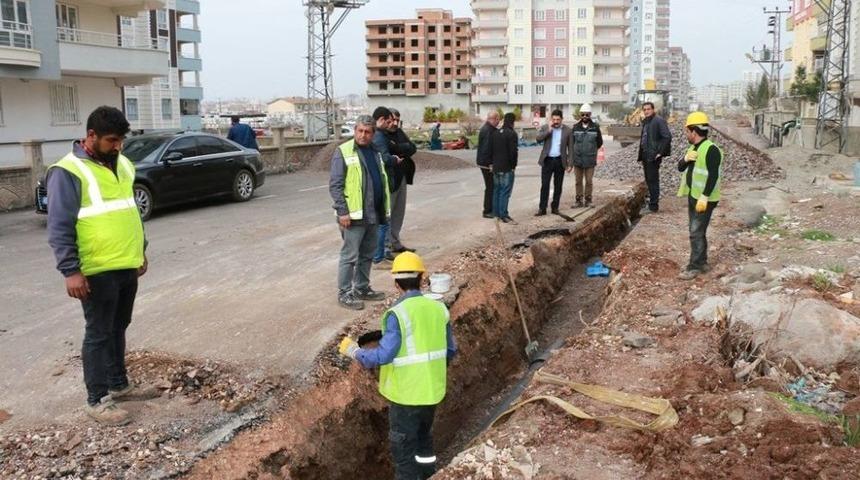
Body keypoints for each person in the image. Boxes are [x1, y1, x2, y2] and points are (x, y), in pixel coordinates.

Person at [46, 106, 159, 426]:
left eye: (121, 140)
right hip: (95, 268)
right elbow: (59, 225)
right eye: (112, 140)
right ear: (90, 136)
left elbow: (129, 210)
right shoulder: (67, 171)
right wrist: (71, 270)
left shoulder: (122, 163)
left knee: (119, 325)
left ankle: (119, 384)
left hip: (126, 262)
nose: (118, 146)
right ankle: (97, 399)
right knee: (98, 333)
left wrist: (141, 251)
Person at [338, 252, 456, 480]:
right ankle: (430, 475)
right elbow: (450, 350)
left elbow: (382, 356)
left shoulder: (398, 314)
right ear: (423, 278)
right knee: (424, 440)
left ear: (395, 283)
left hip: (406, 397)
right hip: (432, 392)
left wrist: (353, 350)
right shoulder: (439, 309)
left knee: (403, 451)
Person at [329, 115, 391, 310]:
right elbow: (335, 185)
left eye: (367, 132)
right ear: (355, 130)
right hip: (353, 216)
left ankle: (362, 288)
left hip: (372, 213)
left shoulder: (375, 152)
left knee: (367, 254)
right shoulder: (344, 151)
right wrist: (342, 211)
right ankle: (345, 293)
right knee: (350, 256)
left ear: (373, 134)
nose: (363, 135)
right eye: (360, 131)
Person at [677, 112, 723, 280]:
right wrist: (685, 159)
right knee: (697, 230)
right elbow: (680, 168)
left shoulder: (711, 150)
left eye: (687, 131)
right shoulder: (693, 149)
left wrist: (704, 196)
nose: (686, 134)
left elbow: (713, 176)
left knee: (695, 231)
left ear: (693, 131)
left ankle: (695, 266)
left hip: (705, 199)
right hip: (694, 195)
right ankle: (701, 262)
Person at [384, 108, 417, 254]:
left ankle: (395, 242)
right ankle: (385, 247)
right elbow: (387, 153)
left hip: (402, 177)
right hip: (389, 180)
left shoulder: (399, 133)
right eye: (392, 120)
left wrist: (398, 148)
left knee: (399, 212)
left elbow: (412, 147)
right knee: (388, 213)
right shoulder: (381, 135)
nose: (395, 123)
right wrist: (400, 149)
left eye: (397, 120)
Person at [371, 107, 402, 265]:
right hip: (380, 185)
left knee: (384, 221)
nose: (391, 124)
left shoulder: (381, 135)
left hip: (383, 182)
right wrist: (394, 159)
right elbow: (382, 159)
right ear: (381, 120)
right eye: (388, 121)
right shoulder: (378, 137)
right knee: (382, 222)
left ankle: (383, 252)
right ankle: (379, 256)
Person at [637, 102, 672, 212]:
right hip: (646, 155)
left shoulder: (658, 120)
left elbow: (667, 137)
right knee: (648, 180)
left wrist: (660, 152)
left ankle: (653, 207)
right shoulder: (647, 122)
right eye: (645, 109)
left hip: (653, 156)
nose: (646, 111)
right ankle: (651, 202)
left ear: (653, 110)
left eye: (648, 109)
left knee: (653, 181)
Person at [535, 109, 571, 216]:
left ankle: (555, 207)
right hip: (547, 160)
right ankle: (542, 208)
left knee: (558, 186)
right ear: (551, 119)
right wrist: (549, 130)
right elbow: (538, 139)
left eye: (558, 119)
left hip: (560, 161)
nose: (556, 121)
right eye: (554, 119)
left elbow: (571, 149)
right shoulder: (546, 128)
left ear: (562, 120)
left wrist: (570, 164)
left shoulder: (568, 131)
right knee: (545, 185)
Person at [569, 103, 603, 208]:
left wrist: (591, 150)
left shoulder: (595, 128)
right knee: (578, 181)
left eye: (587, 115)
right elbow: (571, 143)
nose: (585, 117)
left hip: (590, 159)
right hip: (578, 159)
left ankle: (588, 200)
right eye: (583, 115)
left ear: (590, 114)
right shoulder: (575, 128)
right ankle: (578, 200)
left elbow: (599, 142)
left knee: (589, 181)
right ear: (580, 115)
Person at [493, 112, 519, 223]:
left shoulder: (496, 133)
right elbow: (513, 152)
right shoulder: (512, 134)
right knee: (505, 191)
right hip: (507, 167)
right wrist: (513, 166)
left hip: (496, 167)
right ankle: (504, 214)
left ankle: (496, 214)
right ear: (513, 122)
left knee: (497, 190)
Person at [476, 111, 500, 218]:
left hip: (484, 162)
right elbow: (487, 148)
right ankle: (487, 211)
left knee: (491, 186)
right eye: (498, 119)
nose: (499, 121)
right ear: (493, 119)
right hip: (486, 164)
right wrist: (490, 163)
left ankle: (490, 209)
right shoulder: (488, 131)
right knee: (491, 187)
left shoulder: (487, 128)